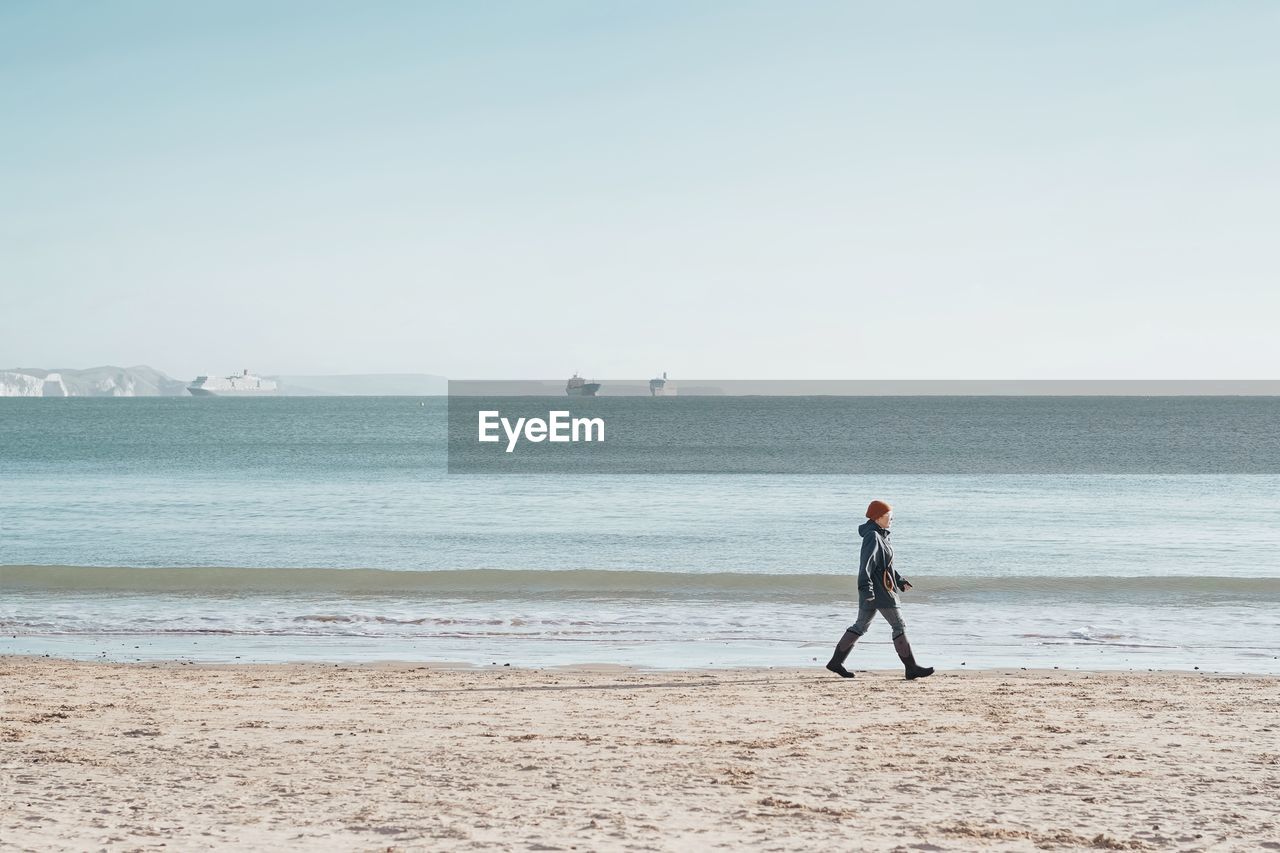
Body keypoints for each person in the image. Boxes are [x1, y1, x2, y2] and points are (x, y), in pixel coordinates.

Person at [826, 500, 934, 680]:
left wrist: (899, 580)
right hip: (880, 592)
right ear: (878, 517)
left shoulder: (881, 535)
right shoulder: (873, 537)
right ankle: (911, 668)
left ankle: (836, 662)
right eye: (889, 516)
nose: (892, 519)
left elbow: (885, 565)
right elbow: (865, 566)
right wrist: (867, 591)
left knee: (860, 626)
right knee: (898, 625)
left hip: (878, 590)